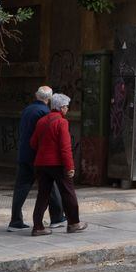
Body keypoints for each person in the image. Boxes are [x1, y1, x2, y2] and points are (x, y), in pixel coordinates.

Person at [7, 86, 65, 231]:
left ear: (36, 95)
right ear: (50, 99)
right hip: (37, 156)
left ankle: (15, 220)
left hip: (24, 154)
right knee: (50, 186)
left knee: (21, 187)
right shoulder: (45, 113)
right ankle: (57, 218)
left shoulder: (27, 110)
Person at [31, 93, 87, 235]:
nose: (67, 109)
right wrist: (70, 167)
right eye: (67, 107)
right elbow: (65, 148)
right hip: (57, 164)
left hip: (41, 164)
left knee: (43, 195)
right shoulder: (62, 122)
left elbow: (33, 143)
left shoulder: (41, 121)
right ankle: (74, 223)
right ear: (62, 108)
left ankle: (37, 227)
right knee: (68, 192)